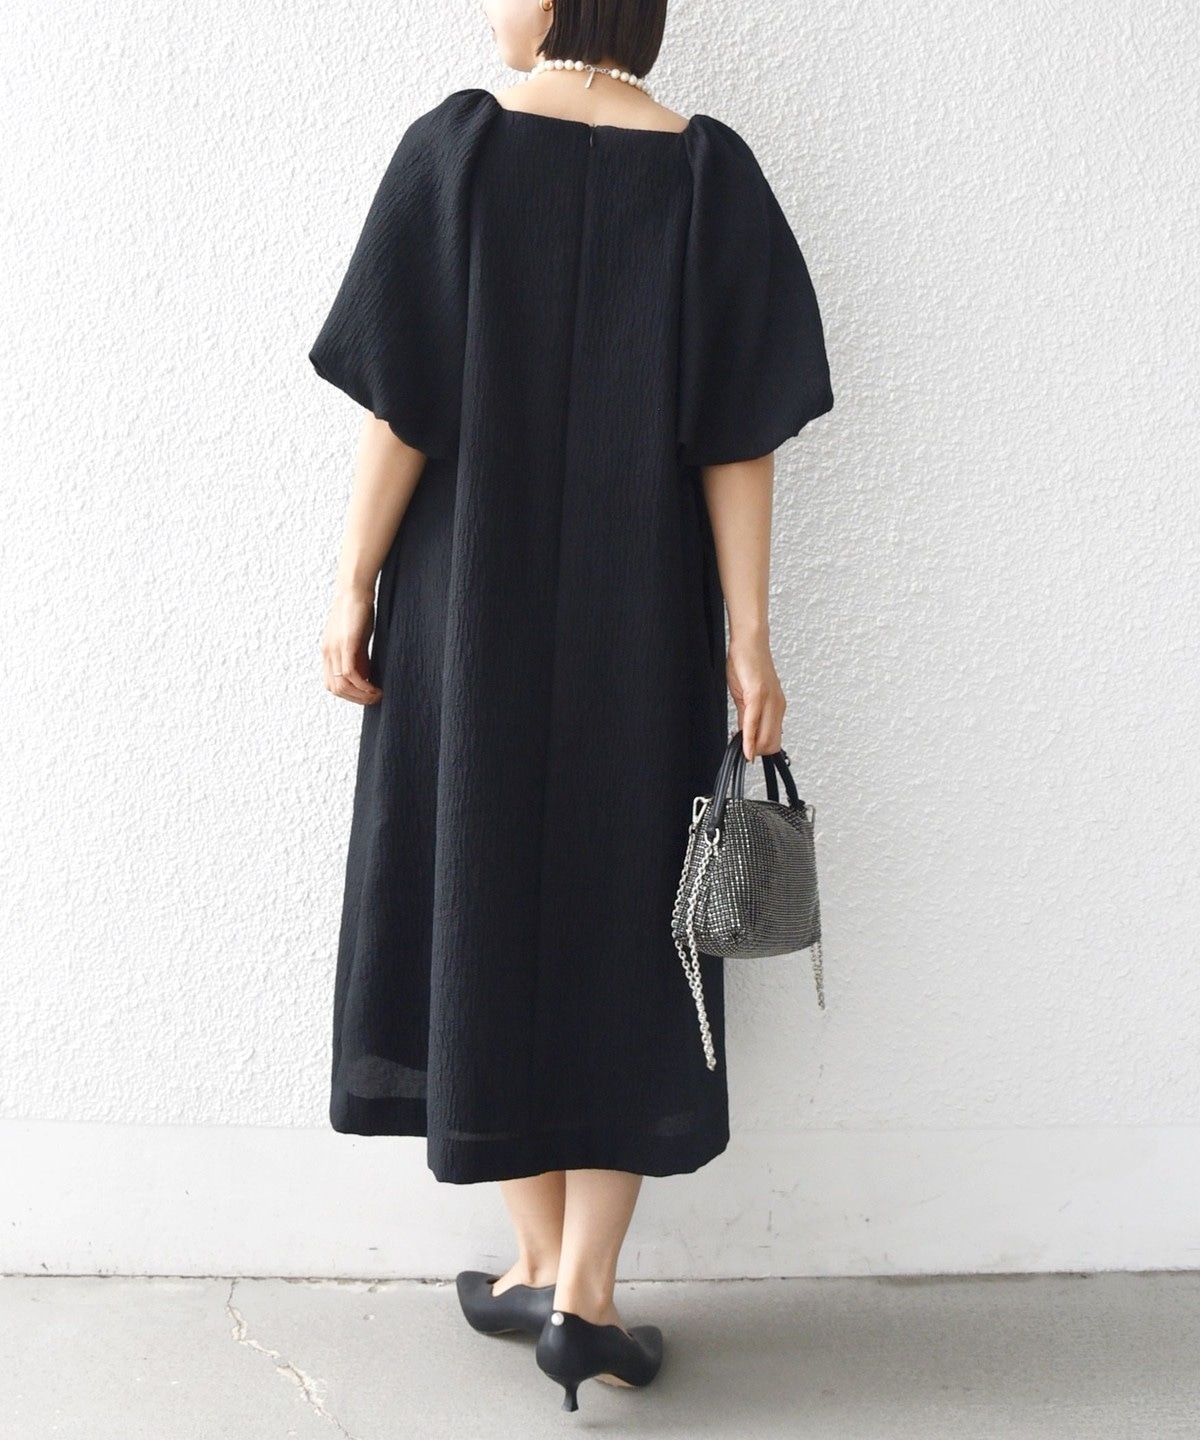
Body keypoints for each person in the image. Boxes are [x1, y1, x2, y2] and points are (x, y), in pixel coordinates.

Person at [308, 0, 833, 1413]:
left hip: (465, 611)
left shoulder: (460, 152)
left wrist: (353, 580)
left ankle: (543, 1264)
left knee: (474, 887)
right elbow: (740, 432)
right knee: (628, 923)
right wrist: (750, 637)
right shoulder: (710, 174)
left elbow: (403, 407)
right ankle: (577, 1291)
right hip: (642, 622)